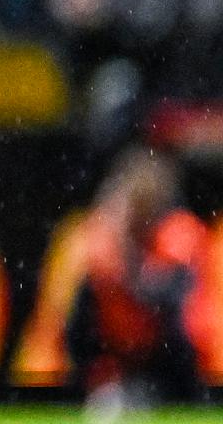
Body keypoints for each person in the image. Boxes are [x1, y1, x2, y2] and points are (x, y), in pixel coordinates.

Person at [68, 147, 210, 415]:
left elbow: (178, 324)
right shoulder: (103, 243)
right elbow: (78, 329)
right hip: (119, 367)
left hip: (173, 373)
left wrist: (135, 274)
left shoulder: (178, 237)